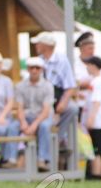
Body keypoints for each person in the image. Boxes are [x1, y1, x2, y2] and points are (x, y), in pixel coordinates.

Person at [30, 31, 78, 159]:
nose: (36, 46)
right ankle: (54, 141)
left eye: (38, 43)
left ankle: (57, 138)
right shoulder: (37, 61)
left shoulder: (61, 60)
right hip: (39, 100)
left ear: (46, 45)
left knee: (72, 108)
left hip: (56, 97)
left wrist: (63, 101)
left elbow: (70, 85)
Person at [12, 57, 54, 171]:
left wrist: (34, 125)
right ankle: (10, 159)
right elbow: (19, 108)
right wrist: (23, 122)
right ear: (28, 69)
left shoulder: (48, 86)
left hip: (42, 117)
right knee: (12, 127)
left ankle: (42, 159)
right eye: (32, 68)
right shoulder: (20, 86)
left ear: (41, 70)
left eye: (37, 68)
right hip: (27, 116)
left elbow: (46, 111)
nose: (34, 70)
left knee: (45, 126)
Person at [81, 56, 101, 180]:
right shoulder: (98, 80)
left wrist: (91, 118)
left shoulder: (97, 81)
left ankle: (96, 173)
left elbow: (96, 101)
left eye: (88, 65)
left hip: (98, 121)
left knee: (96, 149)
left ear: (93, 66)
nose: (87, 68)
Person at [73, 31, 96, 105]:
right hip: (79, 104)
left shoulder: (97, 65)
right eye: (90, 48)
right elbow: (69, 84)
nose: (92, 52)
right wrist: (80, 84)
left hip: (93, 105)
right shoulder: (73, 65)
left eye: (93, 48)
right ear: (81, 49)